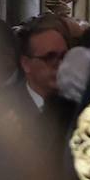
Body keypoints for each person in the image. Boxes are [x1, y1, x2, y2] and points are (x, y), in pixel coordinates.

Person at [14, 14, 78, 144]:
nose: (60, 65)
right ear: (26, 64)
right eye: (50, 58)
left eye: (64, 56)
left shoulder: (78, 106)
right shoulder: (3, 109)